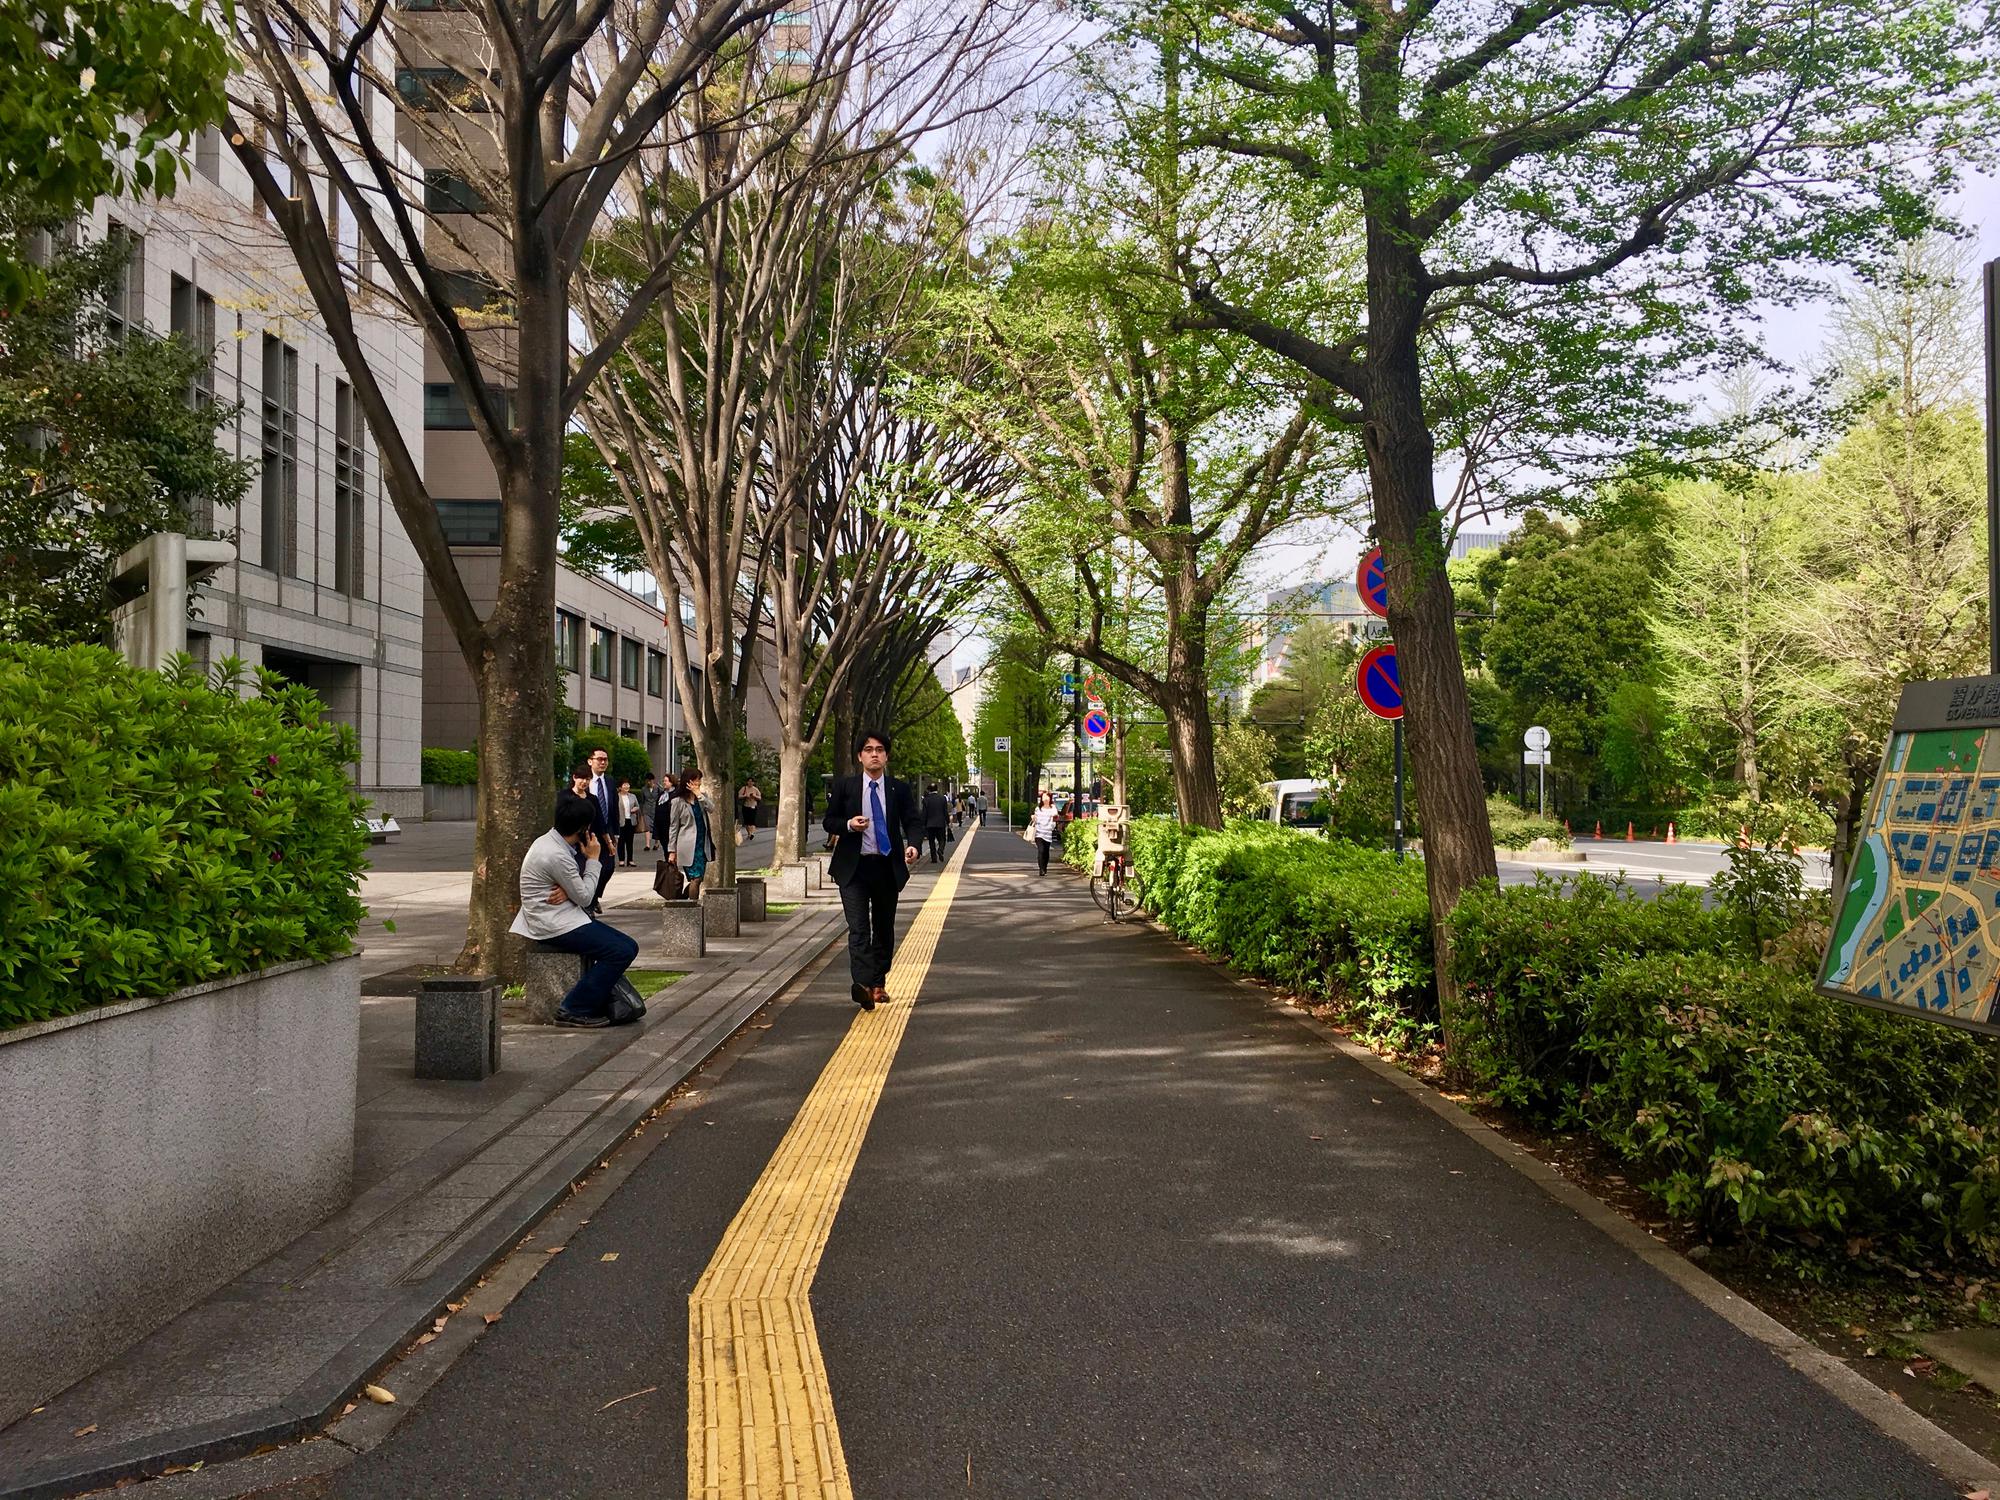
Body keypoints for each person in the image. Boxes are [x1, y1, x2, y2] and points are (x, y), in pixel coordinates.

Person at [509, 795, 640, 1028]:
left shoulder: (549, 842)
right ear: (583, 829)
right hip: (553, 923)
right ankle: (575, 1008)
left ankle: (591, 1000)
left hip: (563, 915)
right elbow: (586, 897)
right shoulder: (557, 854)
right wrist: (593, 859)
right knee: (620, 951)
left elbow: (577, 891)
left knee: (629, 946)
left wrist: (570, 891)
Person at [823, 730, 920, 1011]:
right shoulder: (846, 787)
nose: (874, 754)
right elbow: (830, 821)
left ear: (886, 756)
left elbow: (913, 821)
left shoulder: (898, 789)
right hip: (853, 868)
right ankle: (863, 985)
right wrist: (850, 825)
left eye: (879, 749)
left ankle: (878, 982)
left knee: (884, 928)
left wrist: (913, 845)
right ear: (860, 756)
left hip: (887, 866)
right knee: (858, 929)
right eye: (868, 749)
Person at [663, 768, 716, 900]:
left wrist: (698, 794)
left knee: (698, 878)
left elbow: (711, 808)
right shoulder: (678, 802)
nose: (698, 783)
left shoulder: (701, 798)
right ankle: (693, 907)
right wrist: (671, 851)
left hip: (702, 844)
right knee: (695, 878)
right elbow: (673, 827)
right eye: (695, 780)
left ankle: (683, 900)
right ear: (688, 781)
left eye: (699, 780)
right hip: (687, 846)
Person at [583, 746, 617, 911]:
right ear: (590, 761)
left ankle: (594, 896)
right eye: (599, 759)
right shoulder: (584, 781)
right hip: (588, 832)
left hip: (607, 831)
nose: (603, 762)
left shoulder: (609, 781)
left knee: (608, 867)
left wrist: (615, 833)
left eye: (605, 759)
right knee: (587, 866)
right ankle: (588, 903)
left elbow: (613, 808)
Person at [1031, 789, 1058, 875]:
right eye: (1043, 797)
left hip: (1048, 833)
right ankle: (1041, 869)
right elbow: (1035, 819)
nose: (1045, 799)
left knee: (1046, 852)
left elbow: (1055, 816)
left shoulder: (1053, 808)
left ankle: (1045, 867)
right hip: (1039, 833)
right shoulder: (1038, 809)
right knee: (1041, 851)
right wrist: (1033, 818)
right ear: (1041, 798)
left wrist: (1051, 826)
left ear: (1050, 798)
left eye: (1047, 797)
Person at [921, 783, 950, 863]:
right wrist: (948, 821)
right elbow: (945, 811)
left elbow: (924, 813)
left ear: (929, 790)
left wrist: (923, 824)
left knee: (931, 841)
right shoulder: (942, 798)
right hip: (941, 823)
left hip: (930, 824)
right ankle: (940, 850)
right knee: (942, 839)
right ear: (937, 789)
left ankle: (934, 858)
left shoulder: (926, 799)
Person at [616, 779, 638, 866]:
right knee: (621, 841)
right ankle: (621, 860)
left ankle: (630, 860)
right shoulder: (617, 796)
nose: (627, 786)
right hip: (621, 821)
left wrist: (635, 809)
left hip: (631, 820)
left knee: (630, 841)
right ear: (620, 787)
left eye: (628, 785)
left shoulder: (633, 796)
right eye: (625, 785)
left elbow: (637, 806)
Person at [637, 771, 660, 852]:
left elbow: (660, 799)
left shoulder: (658, 788)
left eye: (650, 780)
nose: (649, 782)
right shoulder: (643, 789)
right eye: (648, 780)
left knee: (656, 827)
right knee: (647, 827)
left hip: (656, 810)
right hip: (646, 810)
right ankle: (647, 844)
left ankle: (656, 843)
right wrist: (641, 812)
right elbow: (642, 801)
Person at [737, 777, 762, 843]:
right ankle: (749, 833)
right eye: (749, 781)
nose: (750, 783)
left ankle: (752, 833)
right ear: (747, 782)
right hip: (746, 806)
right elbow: (739, 796)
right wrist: (745, 795)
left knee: (752, 820)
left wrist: (754, 796)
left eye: (751, 781)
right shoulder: (744, 788)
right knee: (747, 821)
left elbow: (759, 797)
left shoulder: (755, 789)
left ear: (753, 782)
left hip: (753, 806)